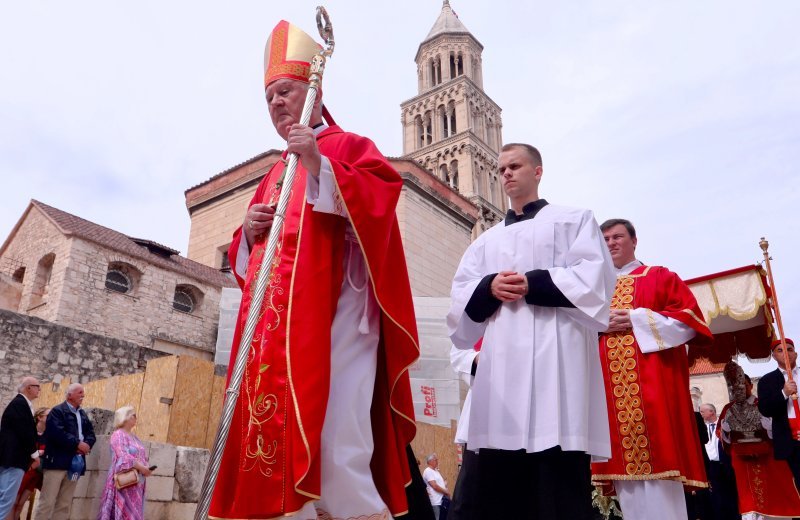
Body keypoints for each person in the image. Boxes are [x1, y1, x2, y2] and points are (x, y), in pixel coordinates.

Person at [208, 19, 419, 520]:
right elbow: (250, 263)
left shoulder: (346, 145)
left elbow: (380, 200)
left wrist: (320, 162)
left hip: (339, 317)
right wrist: (249, 231)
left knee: (336, 435)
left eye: (286, 91)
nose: (277, 103)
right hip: (275, 336)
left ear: (314, 91)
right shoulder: (274, 171)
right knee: (275, 437)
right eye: (269, 99)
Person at [448, 143, 617, 519]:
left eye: (515, 166)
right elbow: (459, 301)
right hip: (501, 376)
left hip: (557, 374)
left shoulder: (574, 220)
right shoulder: (484, 242)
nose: (506, 173)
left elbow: (596, 281)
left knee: (555, 490)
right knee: (491, 489)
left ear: (537, 171)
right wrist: (488, 287)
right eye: (502, 168)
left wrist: (536, 283)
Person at [591, 218, 714, 520]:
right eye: (604, 239)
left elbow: (689, 322)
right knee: (627, 488)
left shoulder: (659, 276)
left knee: (662, 481)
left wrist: (635, 319)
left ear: (634, 241)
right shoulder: (594, 288)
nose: (610, 244)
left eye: (617, 237)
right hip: (611, 399)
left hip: (653, 391)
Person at [720, 362, 800, 519]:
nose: (740, 389)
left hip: (766, 457)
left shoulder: (761, 404)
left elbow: (777, 429)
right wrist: (725, 432)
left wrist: (768, 428)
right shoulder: (727, 409)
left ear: (750, 385)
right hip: (742, 460)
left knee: (772, 491)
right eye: (736, 387)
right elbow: (723, 440)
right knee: (747, 494)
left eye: (744, 385)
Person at [34, 383, 96, 520]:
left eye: (83, 392)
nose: (83, 395)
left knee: (65, 503)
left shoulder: (82, 413)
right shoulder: (57, 411)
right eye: (79, 392)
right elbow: (57, 433)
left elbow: (91, 433)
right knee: (47, 502)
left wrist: (87, 444)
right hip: (56, 462)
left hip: (75, 464)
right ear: (69, 395)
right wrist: (78, 444)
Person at [757, 338, 800, 489]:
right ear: (773, 356)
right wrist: (784, 393)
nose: (786, 354)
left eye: (789, 349)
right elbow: (765, 409)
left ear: (795, 353)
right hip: (791, 441)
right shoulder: (767, 381)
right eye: (780, 350)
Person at [97, 406, 152, 520]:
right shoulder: (118, 435)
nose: (136, 418)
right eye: (133, 415)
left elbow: (142, 455)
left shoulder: (135, 437)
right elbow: (123, 456)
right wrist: (142, 468)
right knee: (122, 511)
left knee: (134, 512)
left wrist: (146, 468)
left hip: (137, 482)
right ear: (125, 418)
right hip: (125, 480)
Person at [0, 378, 40, 519]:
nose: (39, 390)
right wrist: (35, 456)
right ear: (28, 388)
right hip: (14, 459)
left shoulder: (20, 404)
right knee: (6, 499)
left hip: (11, 458)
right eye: (37, 387)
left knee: (4, 496)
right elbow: (25, 432)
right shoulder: (20, 404)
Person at [448, 341, 480, 520]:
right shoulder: (487, 315)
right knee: (471, 496)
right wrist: (477, 358)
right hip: (486, 420)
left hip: (542, 426)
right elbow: (459, 350)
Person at [699, 403, 738, 520]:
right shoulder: (702, 428)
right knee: (715, 496)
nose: (700, 414)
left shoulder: (723, 426)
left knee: (730, 494)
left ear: (711, 412)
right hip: (710, 467)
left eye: (702, 412)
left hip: (724, 465)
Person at [9, 406, 48, 520]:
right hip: (25, 469)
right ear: (40, 417)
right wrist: (37, 452)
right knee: (14, 502)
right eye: (48, 415)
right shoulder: (30, 432)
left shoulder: (49, 435)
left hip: (36, 473)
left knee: (21, 503)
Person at [423, 454, 450, 520]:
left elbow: (439, 483)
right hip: (436, 502)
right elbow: (434, 486)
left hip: (442, 501)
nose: (437, 461)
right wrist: (446, 492)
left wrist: (444, 484)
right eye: (435, 460)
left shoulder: (436, 471)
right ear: (430, 461)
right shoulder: (428, 471)